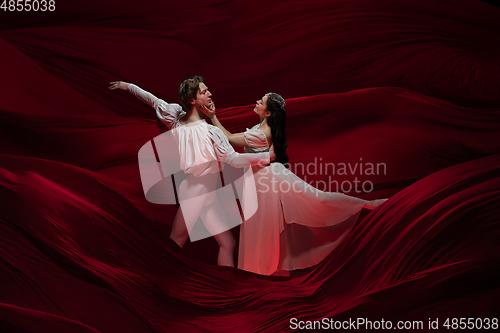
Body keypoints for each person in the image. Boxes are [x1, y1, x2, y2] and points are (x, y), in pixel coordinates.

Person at [201, 93, 387, 275]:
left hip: (265, 181)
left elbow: (228, 138)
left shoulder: (261, 134)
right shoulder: (260, 128)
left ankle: (365, 205)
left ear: (268, 113)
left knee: (313, 202)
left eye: (262, 101)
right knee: (273, 220)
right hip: (260, 180)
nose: (256, 102)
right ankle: (263, 270)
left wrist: (213, 117)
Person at [109, 77, 274, 267]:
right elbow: (234, 160)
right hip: (195, 192)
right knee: (175, 241)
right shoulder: (208, 131)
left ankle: (227, 286)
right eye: (204, 92)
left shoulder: (176, 117)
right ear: (192, 101)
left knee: (227, 243)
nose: (210, 93)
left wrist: (128, 86)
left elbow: (152, 99)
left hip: (206, 194)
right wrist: (267, 157)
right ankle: (152, 282)